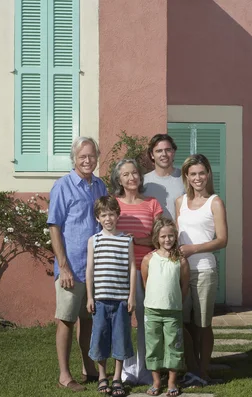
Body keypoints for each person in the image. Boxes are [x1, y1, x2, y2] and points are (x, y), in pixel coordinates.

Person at [48, 136, 106, 392]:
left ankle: (88, 368)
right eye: (82, 156)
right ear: (74, 158)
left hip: (93, 268)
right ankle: (64, 375)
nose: (87, 160)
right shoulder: (62, 186)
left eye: (91, 156)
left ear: (97, 157)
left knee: (88, 320)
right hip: (71, 268)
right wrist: (64, 266)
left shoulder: (100, 186)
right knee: (66, 320)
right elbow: (54, 227)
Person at [175, 154, 228, 384]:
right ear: (186, 176)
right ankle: (191, 367)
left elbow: (222, 240)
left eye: (202, 173)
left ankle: (203, 371)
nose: (198, 178)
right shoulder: (179, 202)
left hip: (205, 270)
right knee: (184, 323)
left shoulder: (214, 202)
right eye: (193, 174)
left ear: (208, 174)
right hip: (182, 270)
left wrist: (194, 249)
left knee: (203, 324)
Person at [110, 159, 163, 385]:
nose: (131, 178)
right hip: (119, 270)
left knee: (145, 322)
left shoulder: (152, 203)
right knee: (121, 322)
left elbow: (159, 236)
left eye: (134, 173)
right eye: (125, 175)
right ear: (118, 180)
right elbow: (107, 233)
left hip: (147, 271)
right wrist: (133, 241)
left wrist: (134, 240)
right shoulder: (112, 204)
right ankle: (124, 372)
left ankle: (144, 370)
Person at [86, 197, 136, 397]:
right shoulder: (94, 240)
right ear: (98, 218)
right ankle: (101, 376)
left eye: (111, 214)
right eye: (104, 215)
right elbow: (90, 270)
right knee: (100, 338)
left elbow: (132, 268)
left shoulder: (127, 240)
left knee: (120, 338)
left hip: (121, 300)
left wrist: (131, 296)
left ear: (118, 215)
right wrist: (90, 296)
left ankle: (117, 377)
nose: (108, 218)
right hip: (100, 300)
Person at [142, 217, 190, 397]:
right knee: (153, 345)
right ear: (156, 237)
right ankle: (156, 381)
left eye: (170, 236)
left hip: (173, 312)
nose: (167, 240)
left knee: (174, 346)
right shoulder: (149, 259)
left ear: (175, 237)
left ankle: (171, 382)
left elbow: (184, 285)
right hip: (152, 311)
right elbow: (145, 282)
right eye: (163, 236)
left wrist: (177, 302)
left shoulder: (181, 261)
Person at [143, 134, 184, 221]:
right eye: (159, 151)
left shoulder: (186, 179)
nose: (164, 154)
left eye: (168, 150)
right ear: (152, 155)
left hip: (182, 234)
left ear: (173, 152)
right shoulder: (143, 182)